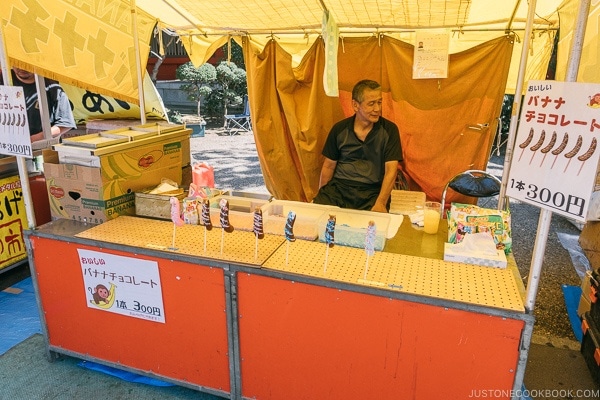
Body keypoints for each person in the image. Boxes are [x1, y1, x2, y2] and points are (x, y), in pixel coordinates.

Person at [312, 79, 402, 212]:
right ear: (355, 105)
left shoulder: (389, 130)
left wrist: (381, 203)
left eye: (379, 102)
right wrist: (323, 195)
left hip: (372, 191)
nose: (377, 109)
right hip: (340, 188)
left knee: (371, 228)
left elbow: (391, 171)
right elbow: (328, 166)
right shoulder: (339, 130)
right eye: (371, 104)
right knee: (317, 216)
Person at [0, 67, 76, 142]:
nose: (22, 67)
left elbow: (65, 124)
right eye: (17, 63)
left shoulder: (53, 89)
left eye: (26, 64)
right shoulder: (3, 79)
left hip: (39, 149)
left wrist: (31, 140)